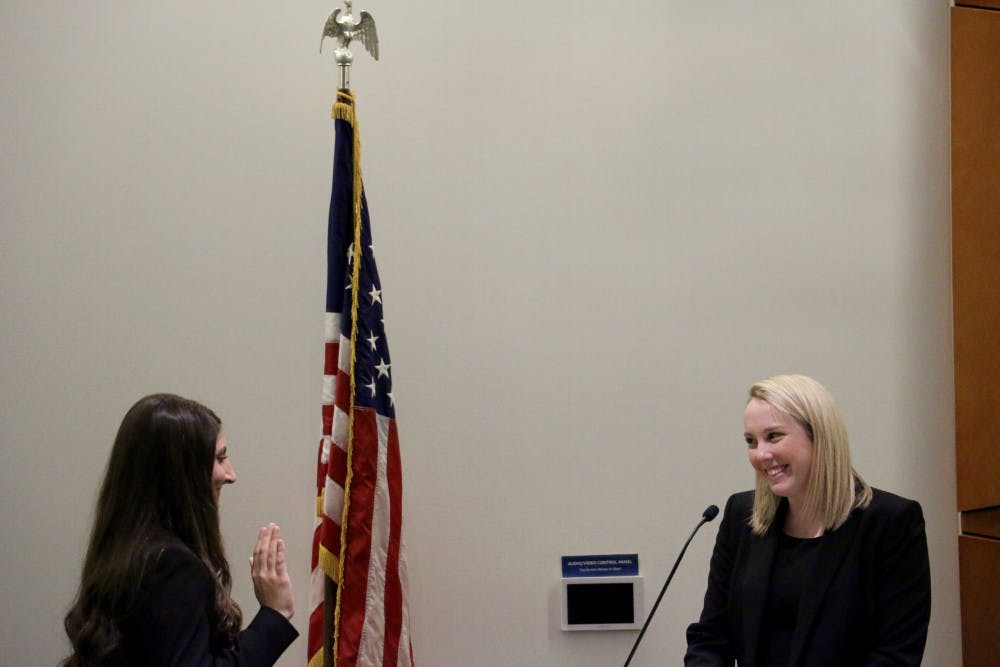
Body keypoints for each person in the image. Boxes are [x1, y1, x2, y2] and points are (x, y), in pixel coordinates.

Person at [685, 374, 930, 666]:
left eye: (773, 436)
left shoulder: (892, 522)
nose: (760, 454)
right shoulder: (741, 515)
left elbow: (895, 655)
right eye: (751, 441)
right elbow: (711, 635)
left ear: (820, 436)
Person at [63, 394, 298, 666]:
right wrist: (275, 615)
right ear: (182, 473)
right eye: (220, 458)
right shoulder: (171, 566)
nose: (230, 474)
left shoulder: (126, 551)